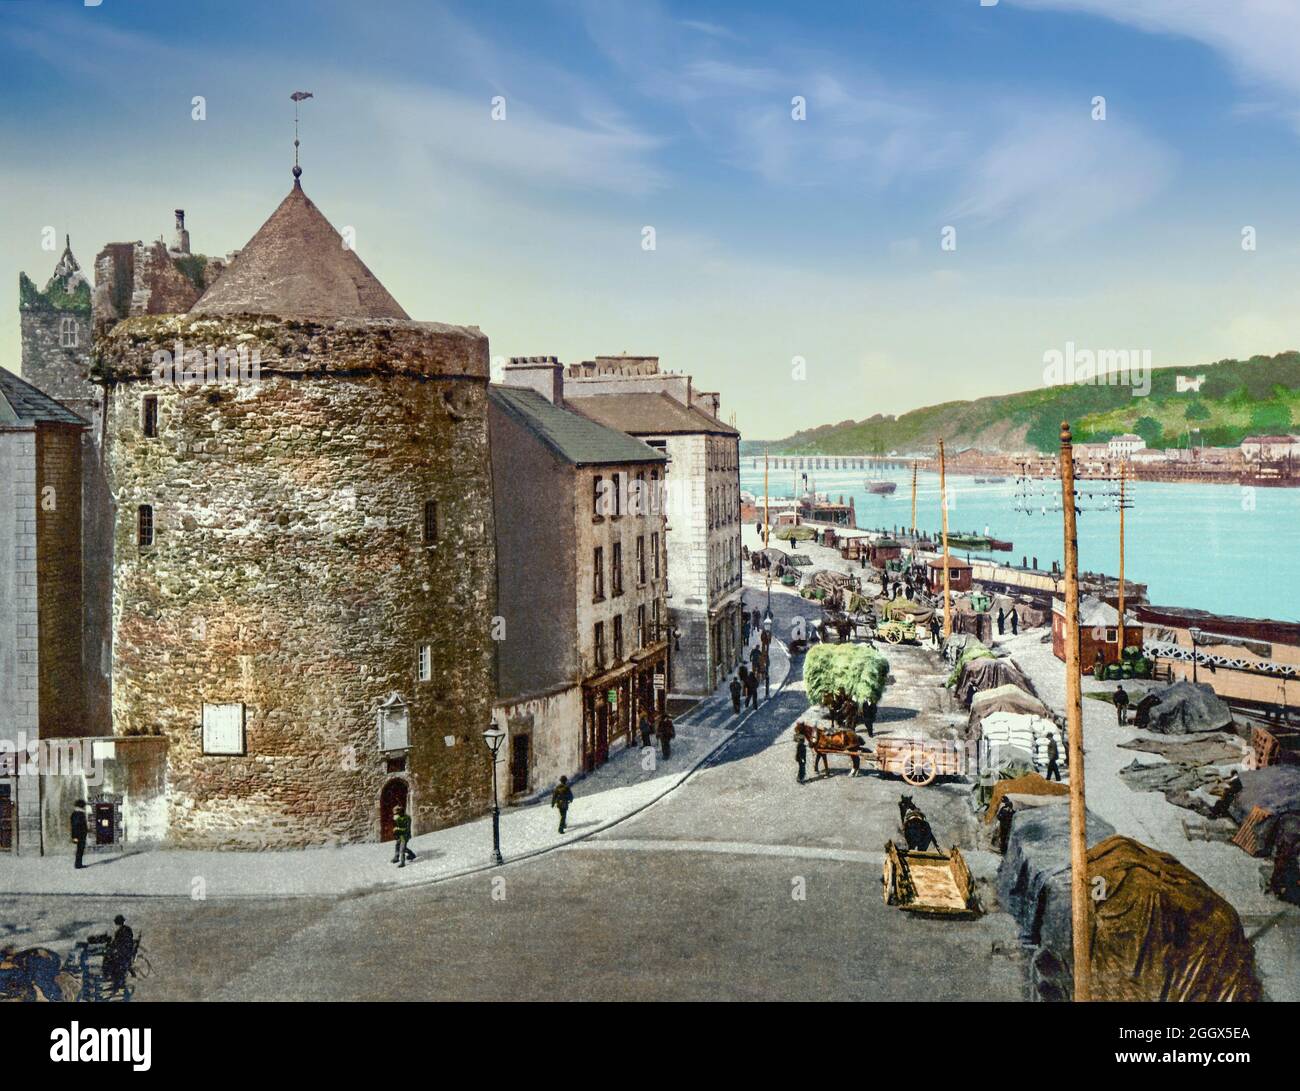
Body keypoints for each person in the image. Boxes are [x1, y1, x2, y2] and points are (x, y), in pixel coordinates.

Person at [104, 915, 134, 994]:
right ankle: (115, 984)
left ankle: (116, 985)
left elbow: (118, 944)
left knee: (109, 962)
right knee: (109, 960)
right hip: (125, 955)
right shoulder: (127, 929)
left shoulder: (121, 931)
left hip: (123, 957)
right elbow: (119, 943)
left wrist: (112, 947)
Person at [70, 800, 88, 870]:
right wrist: (75, 837)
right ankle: (78, 864)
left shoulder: (77, 813)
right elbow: (75, 826)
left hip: (80, 834)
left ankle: (79, 863)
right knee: (80, 850)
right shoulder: (78, 814)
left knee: (80, 849)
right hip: (79, 835)